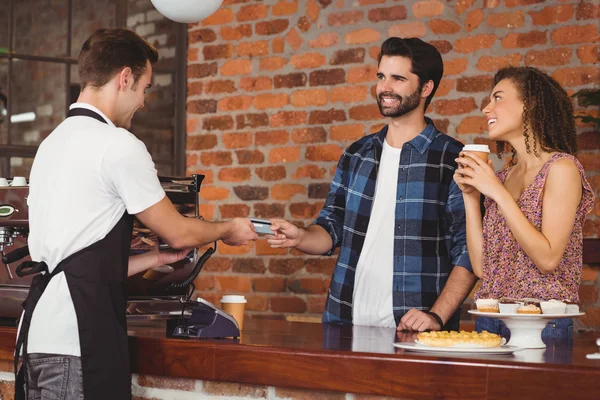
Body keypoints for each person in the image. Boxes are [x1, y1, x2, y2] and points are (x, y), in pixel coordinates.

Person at [15, 28, 258, 400]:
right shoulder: (116, 145)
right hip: (79, 339)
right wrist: (227, 229)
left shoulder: (52, 145)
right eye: (144, 88)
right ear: (124, 78)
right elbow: (178, 231)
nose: (143, 102)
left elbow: (75, 260)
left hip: (39, 334)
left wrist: (153, 258)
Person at [267, 37, 476, 332]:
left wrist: (437, 316)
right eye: (381, 76)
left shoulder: (453, 159)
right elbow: (332, 226)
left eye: (398, 78)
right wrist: (299, 237)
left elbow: (469, 251)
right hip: (344, 320)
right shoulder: (357, 153)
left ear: (426, 88)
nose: (384, 87)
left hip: (416, 330)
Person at [454, 66, 595, 340]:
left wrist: (496, 191)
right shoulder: (504, 177)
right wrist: (471, 198)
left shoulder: (561, 168)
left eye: (497, 98)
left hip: (540, 323)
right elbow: (484, 268)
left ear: (529, 104)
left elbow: (548, 258)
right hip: (490, 318)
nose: (486, 108)